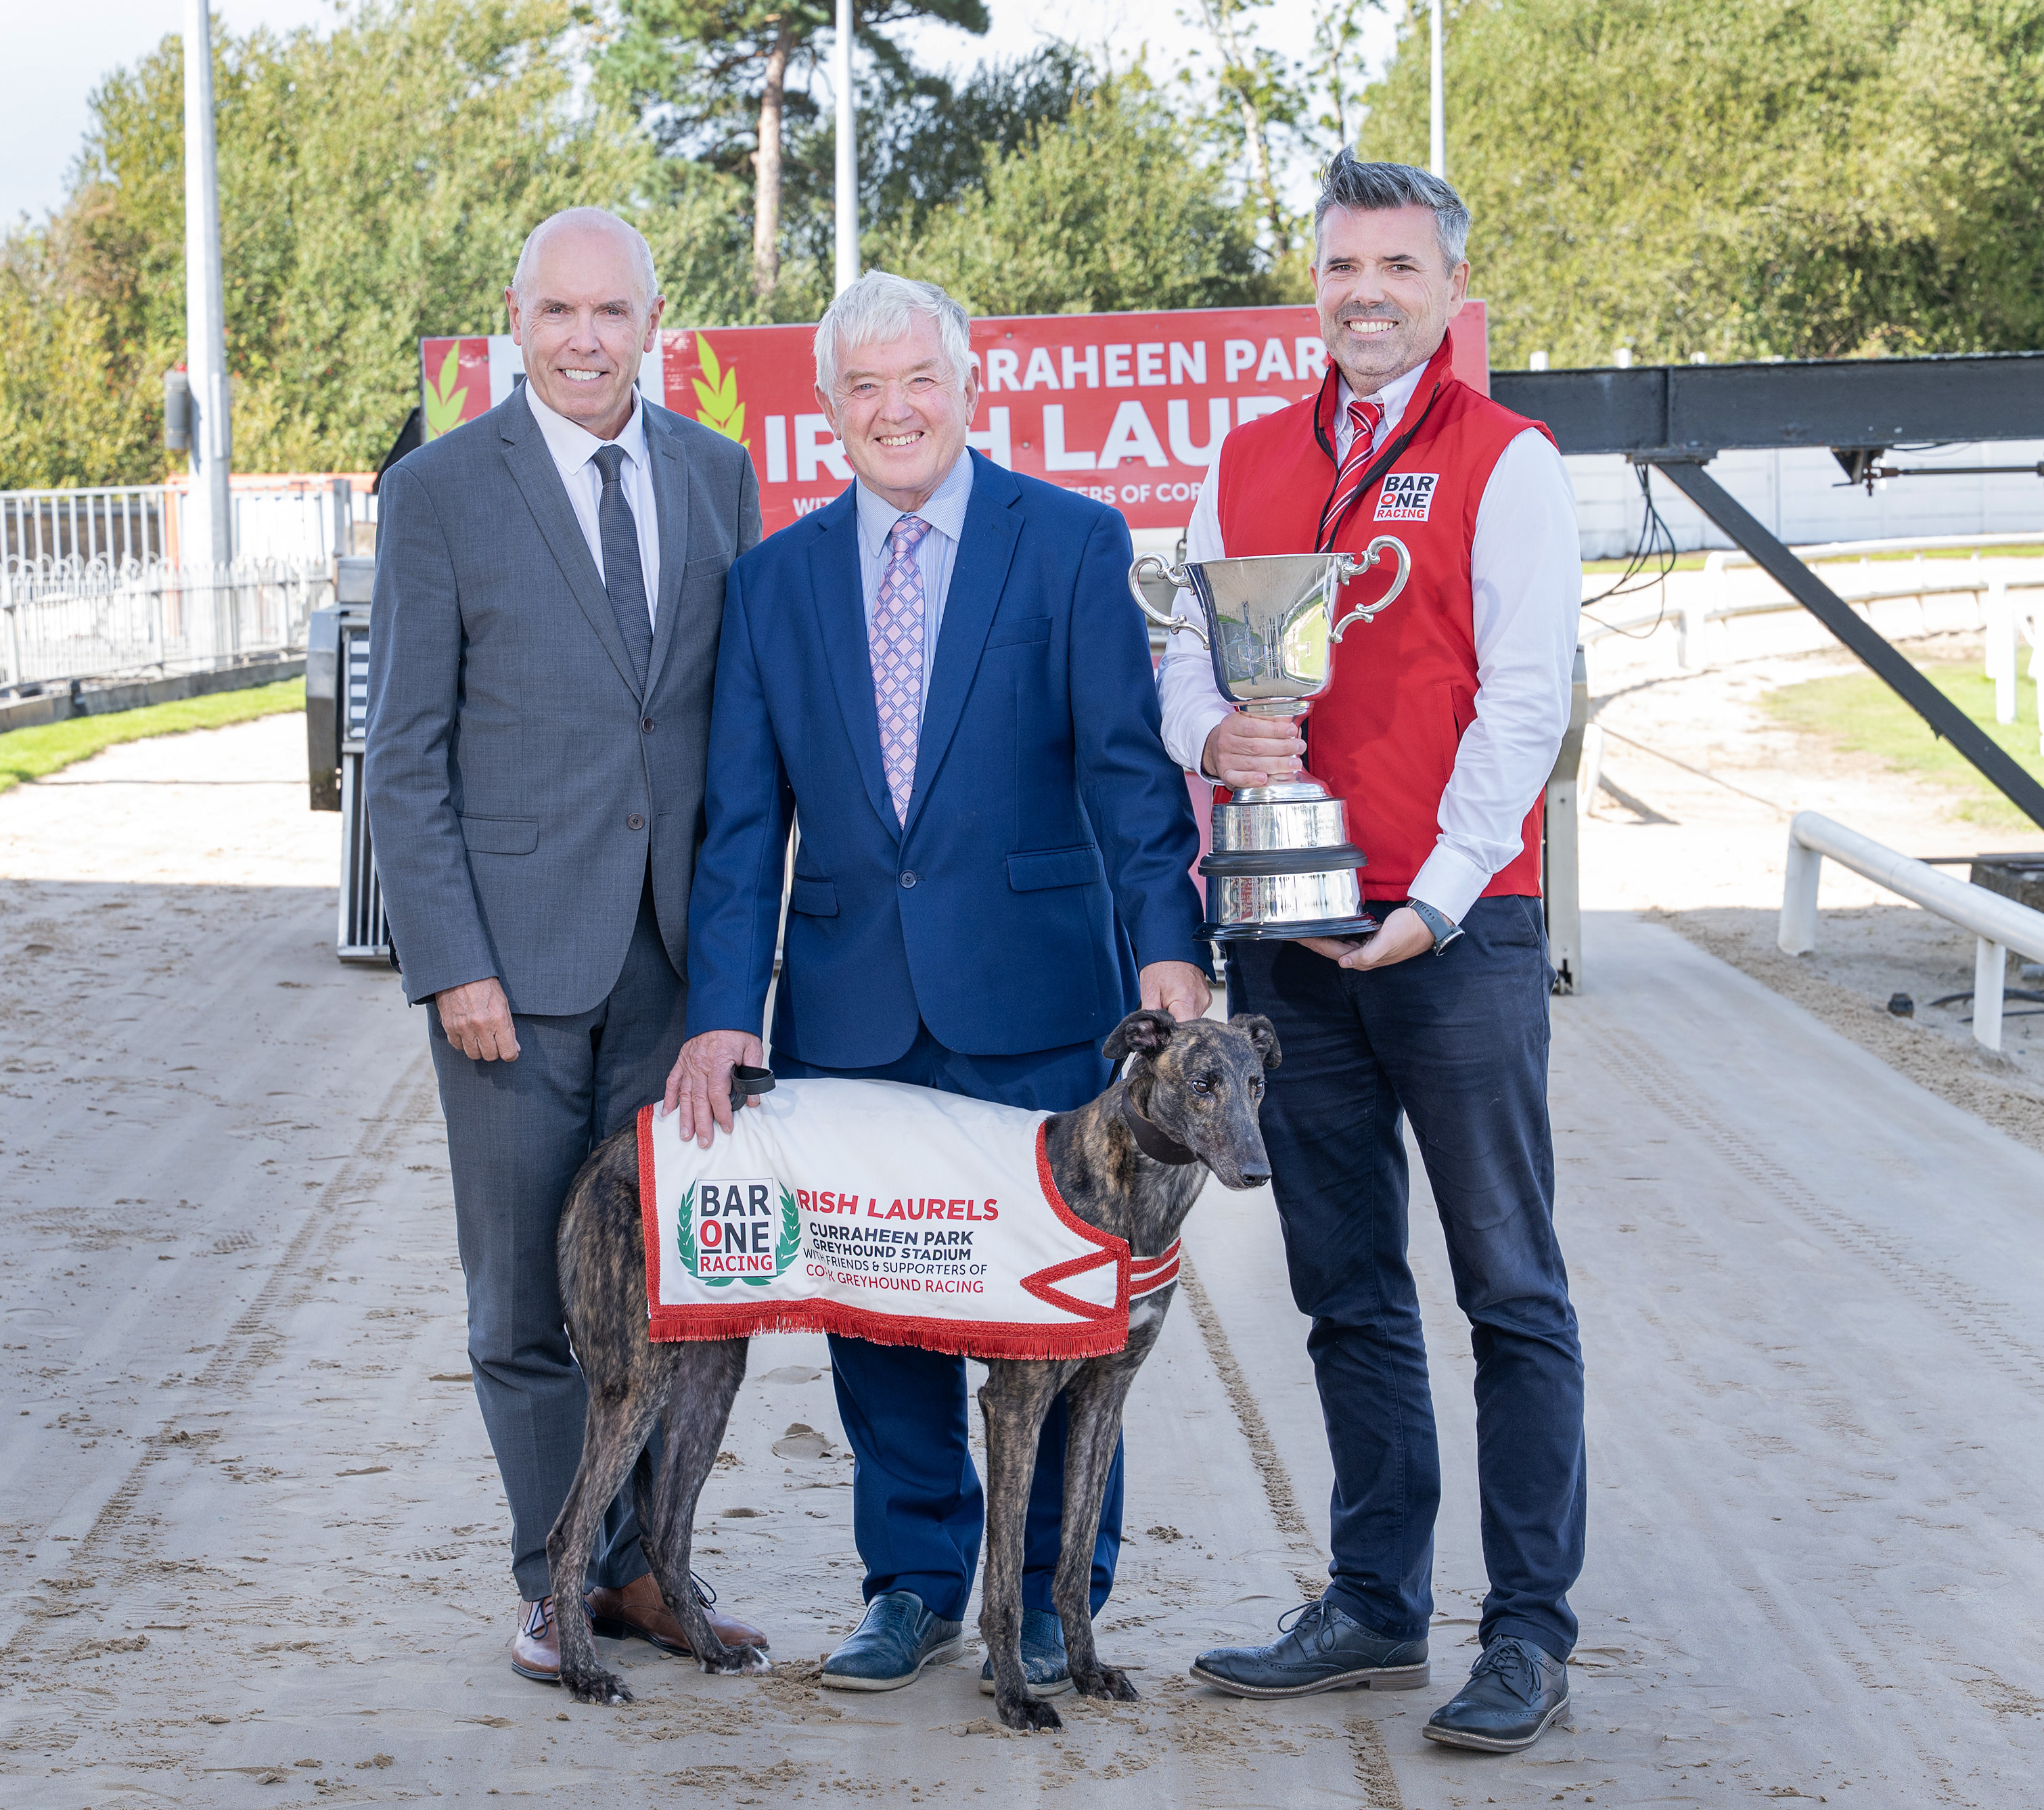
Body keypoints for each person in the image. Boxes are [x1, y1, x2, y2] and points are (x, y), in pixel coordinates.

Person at [664, 272, 1212, 1697]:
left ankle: (1044, 1599)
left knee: (1055, 1305)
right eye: (862, 388)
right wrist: (728, 1007)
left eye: (918, 381)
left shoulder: (1072, 545)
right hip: (852, 1012)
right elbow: (741, 822)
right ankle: (911, 1584)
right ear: (828, 411)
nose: (893, 410)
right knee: (882, 1312)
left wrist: (1172, 946)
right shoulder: (772, 584)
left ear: (969, 390)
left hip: (1042, 997)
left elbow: (1128, 774)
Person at [1164, 152, 1585, 1753]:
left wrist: (1449, 887)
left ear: (1447, 293)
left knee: (1508, 1292)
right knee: (1345, 1288)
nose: (1364, 293)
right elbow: (1178, 655)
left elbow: (1525, 701)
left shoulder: (1509, 461)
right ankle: (1374, 1605)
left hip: (1452, 937)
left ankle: (1528, 1632)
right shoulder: (1248, 458)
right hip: (1289, 939)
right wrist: (1215, 732)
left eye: (1396, 269)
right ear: (1316, 281)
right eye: (1342, 265)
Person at [364, 207, 767, 1683]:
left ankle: (649, 1572)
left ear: (657, 319)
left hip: (670, 975)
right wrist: (451, 962)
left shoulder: (719, 477)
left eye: (613, 312)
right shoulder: (442, 491)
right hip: (508, 981)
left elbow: (737, 743)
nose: (586, 338)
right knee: (528, 1301)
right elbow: (400, 757)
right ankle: (556, 1582)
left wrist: (737, 977)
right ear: (514, 325)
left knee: (667, 1291)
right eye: (559, 314)